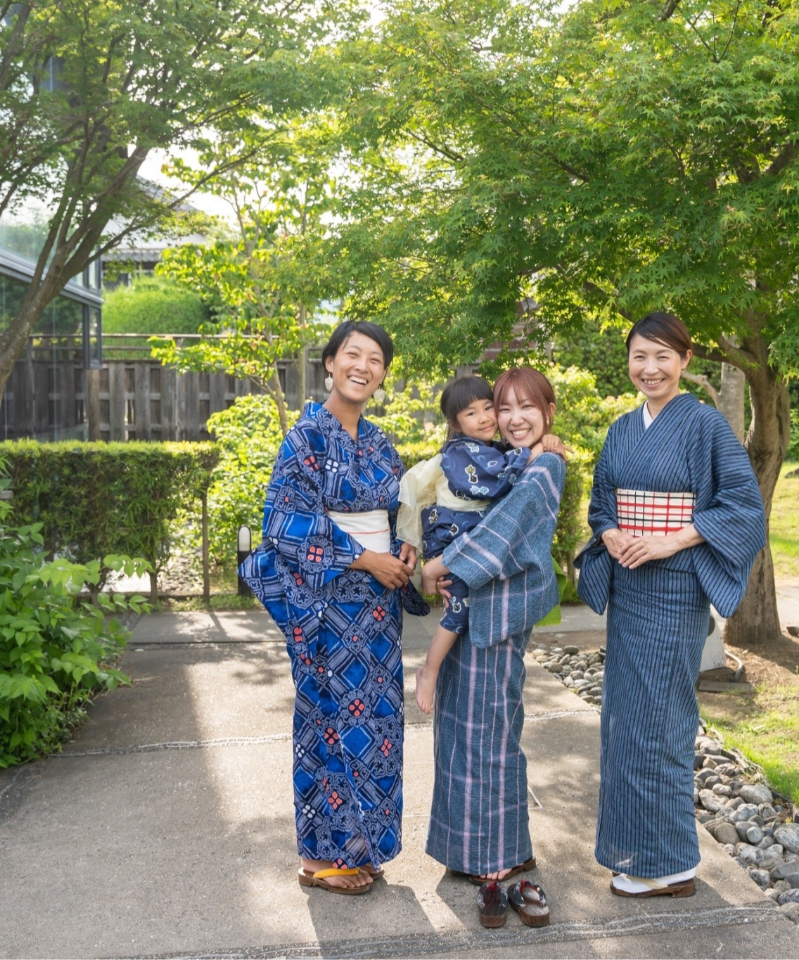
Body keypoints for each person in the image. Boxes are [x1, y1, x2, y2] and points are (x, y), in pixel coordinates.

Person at [576, 312, 766, 899]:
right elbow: (603, 500)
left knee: (661, 722)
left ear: (685, 360)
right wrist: (609, 534)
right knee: (625, 722)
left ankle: (671, 865)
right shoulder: (621, 429)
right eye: (639, 356)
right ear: (628, 361)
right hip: (630, 588)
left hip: (675, 585)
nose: (650, 368)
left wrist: (673, 538)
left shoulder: (705, 426)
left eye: (663, 356)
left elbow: (743, 506)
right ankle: (638, 854)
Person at [239, 320, 429, 895]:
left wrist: (403, 549)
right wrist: (367, 560)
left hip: (375, 614)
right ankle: (322, 858)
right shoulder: (305, 439)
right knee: (328, 723)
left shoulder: (379, 442)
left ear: (383, 374)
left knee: (375, 724)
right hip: (325, 607)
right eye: (353, 354)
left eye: (375, 359)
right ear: (329, 362)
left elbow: (402, 511)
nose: (363, 366)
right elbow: (284, 525)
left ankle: (362, 849)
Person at [419, 367, 565, 923]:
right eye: (503, 409)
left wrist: (443, 562)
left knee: (491, 736)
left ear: (548, 410)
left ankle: (499, 859)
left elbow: (505, 529)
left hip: (496, 615)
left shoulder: (544, 465)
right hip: (473, 610)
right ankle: (465, 851)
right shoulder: (508, 461)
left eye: (527, 407)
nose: (513, 418)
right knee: (458, 729)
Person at [398, 375, 540, 715]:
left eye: (488, 407)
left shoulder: (487, 449)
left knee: (466, 605)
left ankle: (433, 668)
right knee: (459, 608)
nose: (486, 417)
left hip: (462, 532)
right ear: (455, 424)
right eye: (472, 414)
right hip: (453, 535)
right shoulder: (464, 452)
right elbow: (493, 485)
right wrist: (532, 452)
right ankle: (428, 670)